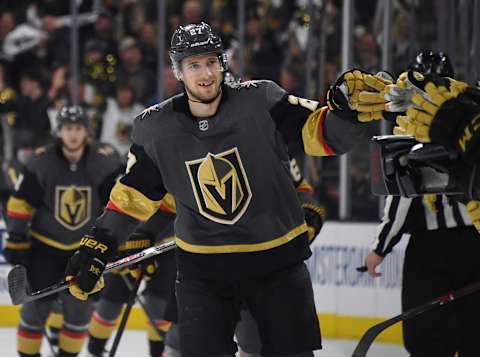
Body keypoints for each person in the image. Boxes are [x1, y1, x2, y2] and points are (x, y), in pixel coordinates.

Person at [64, 22, 375, 357]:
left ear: (223, 63)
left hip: (277, 266)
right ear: (178, 71)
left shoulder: (262, 100)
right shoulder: (155, 129)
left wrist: (347, 113)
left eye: (212, 61)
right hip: (204, 274)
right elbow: (131, 199)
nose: (206, 73)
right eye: (194, 65)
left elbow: (325, 135)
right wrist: (96, 247)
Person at [364, 53, 480, 357]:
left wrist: (380, 248)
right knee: (474, 335)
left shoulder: (411, 131)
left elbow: (401, 200)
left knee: (428, 341)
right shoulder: (468, 120)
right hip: (475, 242)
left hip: (432, 252)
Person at [3, 106, 122, 357]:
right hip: (43, 250)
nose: (73, 134)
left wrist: (115, 239)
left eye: (78, 128)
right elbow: (21, 203)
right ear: (59, 131)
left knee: (79, 316)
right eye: (68, 128)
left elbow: (116, 206)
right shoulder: (42, 160)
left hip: (83, 252)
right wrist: (16, 238)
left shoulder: (103, 161)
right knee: (34, 313)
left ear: (87, 132)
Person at [86, 206, 177, 357]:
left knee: (158, 305)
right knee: (111, 301)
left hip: (167, 243)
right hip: (127, 240)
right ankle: (94, 351)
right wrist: (114, 238)